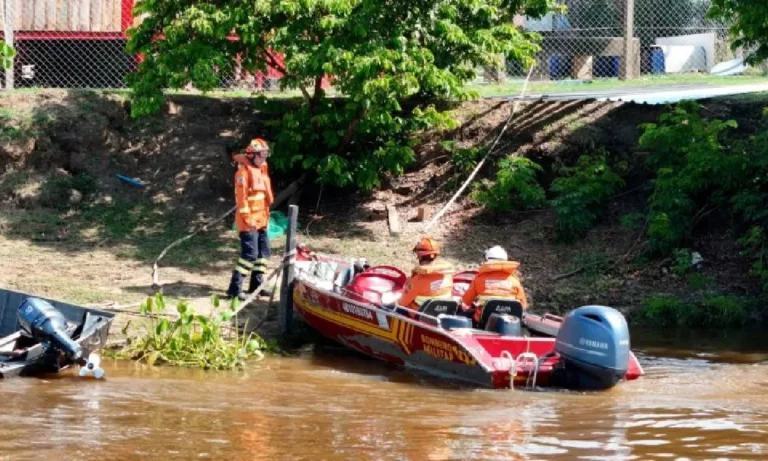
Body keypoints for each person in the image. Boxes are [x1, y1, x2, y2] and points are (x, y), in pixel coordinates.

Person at [225, 138, 274, 300]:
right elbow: (242, 200)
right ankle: (234, 289)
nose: (264, 157)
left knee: (263, 254)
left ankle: (257, 286)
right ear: (252, 155)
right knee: (249, 255)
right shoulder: (243, 173)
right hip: (249, 222)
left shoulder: (261, 169)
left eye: (266, 154)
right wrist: (249, 220)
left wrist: (264, 219)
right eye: (262, 154)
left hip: (262, 220)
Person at [460, 245, 529, 325]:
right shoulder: (514, 280)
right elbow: (523, 305)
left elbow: (466, 301)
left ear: (487, 260)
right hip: (509, 323)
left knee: (461, 315)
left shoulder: (479, 279)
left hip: (482, 321)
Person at [396, 237, 455, 311]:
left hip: (421, 316)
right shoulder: (447, 275)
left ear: (420, 256)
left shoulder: (417, 280)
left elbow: (402, 303)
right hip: (444, 313)